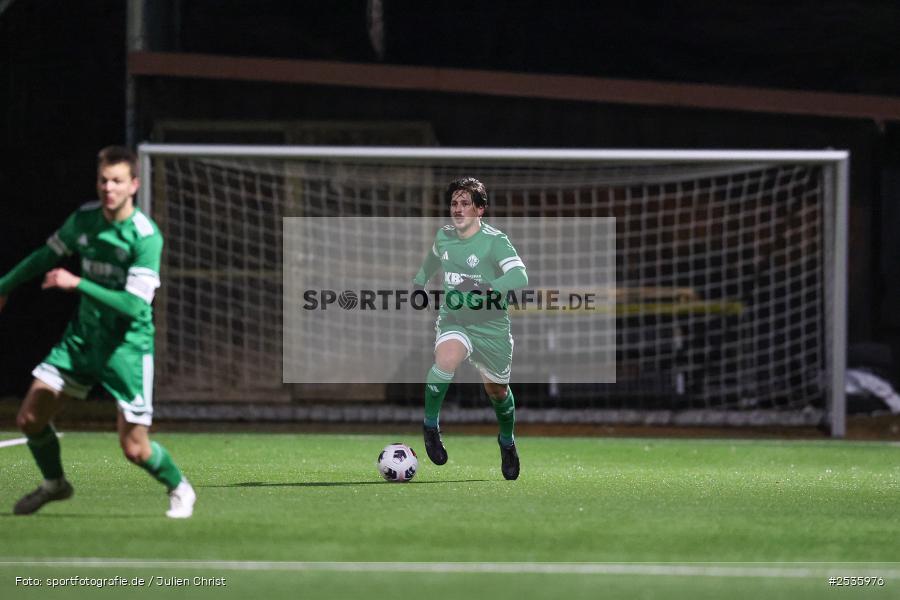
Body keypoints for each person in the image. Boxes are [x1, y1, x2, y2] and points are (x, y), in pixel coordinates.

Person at [0, 146, 196, 518]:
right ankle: (55, 484)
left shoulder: (144, 237)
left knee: (135, 449)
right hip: (82, 339)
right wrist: (4, 286)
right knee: (30, 418)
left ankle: (179, 487)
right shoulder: (84, 221)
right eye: (104, 181)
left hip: (126, 347)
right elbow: (46, 256)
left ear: (134, 185)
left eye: (117, 181)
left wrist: (77, 284)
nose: (109, 188)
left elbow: (134, 306)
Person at [413, 177, 528, 480]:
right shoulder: (444, 236)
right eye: (454, 203)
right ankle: (430, 426)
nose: (458, 208)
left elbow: (520, 276)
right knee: (445, 360)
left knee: (498, 392)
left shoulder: (495, 241)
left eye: (465, 203)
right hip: (455, 319)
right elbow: (432, 259)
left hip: (491, 326)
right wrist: (419, 282)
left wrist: (488, 289)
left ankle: (507, 442)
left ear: (480, 209)